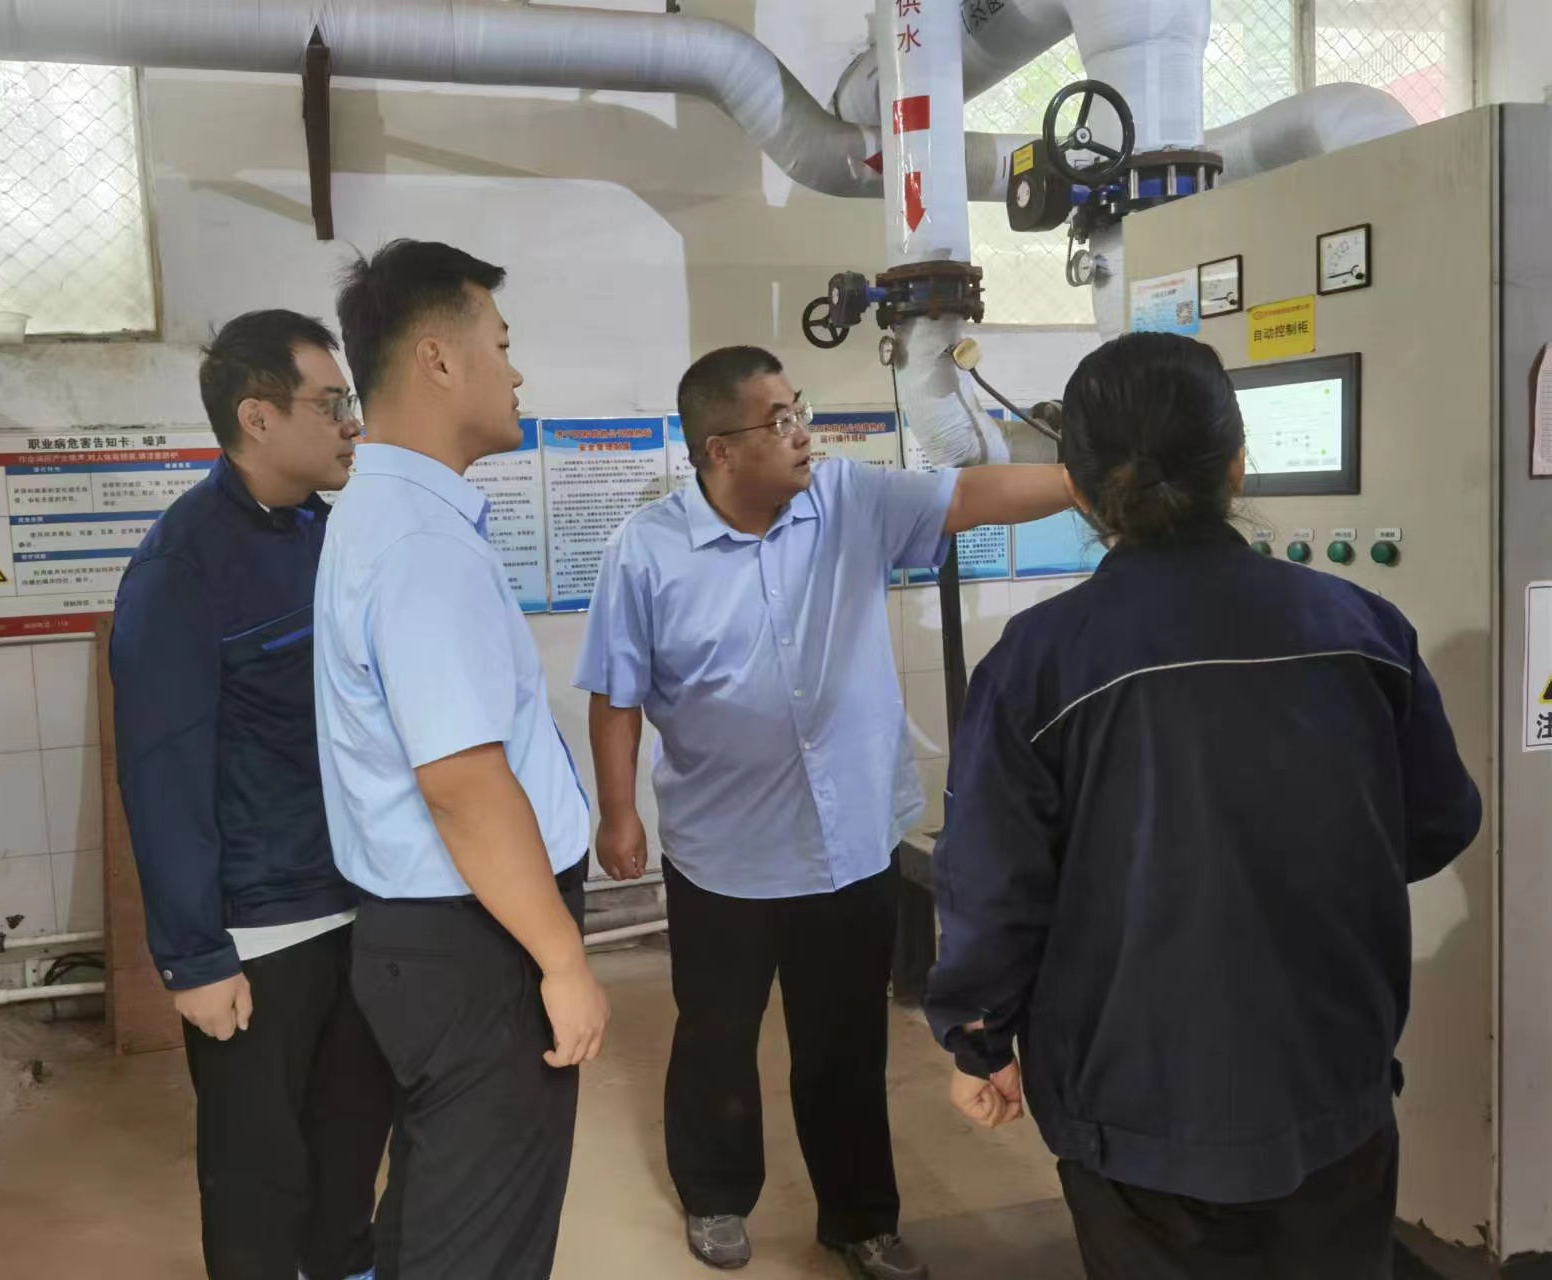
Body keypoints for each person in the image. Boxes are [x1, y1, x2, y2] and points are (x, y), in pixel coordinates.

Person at [925, 332, 1483, 1280]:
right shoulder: (1362, 628)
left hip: (1132, 1103)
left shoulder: (1037, 661)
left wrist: (980, 1039)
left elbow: (993, 888)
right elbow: (1437, 824)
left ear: (1080, 488)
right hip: (1330, 1077)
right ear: (1236, 463)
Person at [575, 345, 1072, 1279]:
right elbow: (616, 692)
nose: (803, 433)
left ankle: (859, 1219)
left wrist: (1090, 481)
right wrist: (618, 814)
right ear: (720, 450)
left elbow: (971, 496)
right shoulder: (646, 549)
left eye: (799, 409)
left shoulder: (848, 498)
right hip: (723, 854)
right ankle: (716, 1195)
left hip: (849, 844)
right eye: (779, 421)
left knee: (844, 1044)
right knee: (717, 1037)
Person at [315, 239, 609, 1280]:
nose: (516, 372)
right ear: (438, 359)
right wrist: (562, 962)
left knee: (438, 1216)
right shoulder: (420, 544)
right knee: (482, 1243)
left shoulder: (387, 514)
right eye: (502, 343)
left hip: (439, 932)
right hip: (480, 942)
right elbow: (463, 784)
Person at [111, 310, 391, 1280]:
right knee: (257, 1174)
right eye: (332, 402)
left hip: (360, 896)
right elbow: (163, 772)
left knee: (350, 1144)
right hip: (262, 930)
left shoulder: (329, 532)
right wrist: (194, 955)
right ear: (257, 417)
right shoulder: (181, 567)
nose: (352, 423)